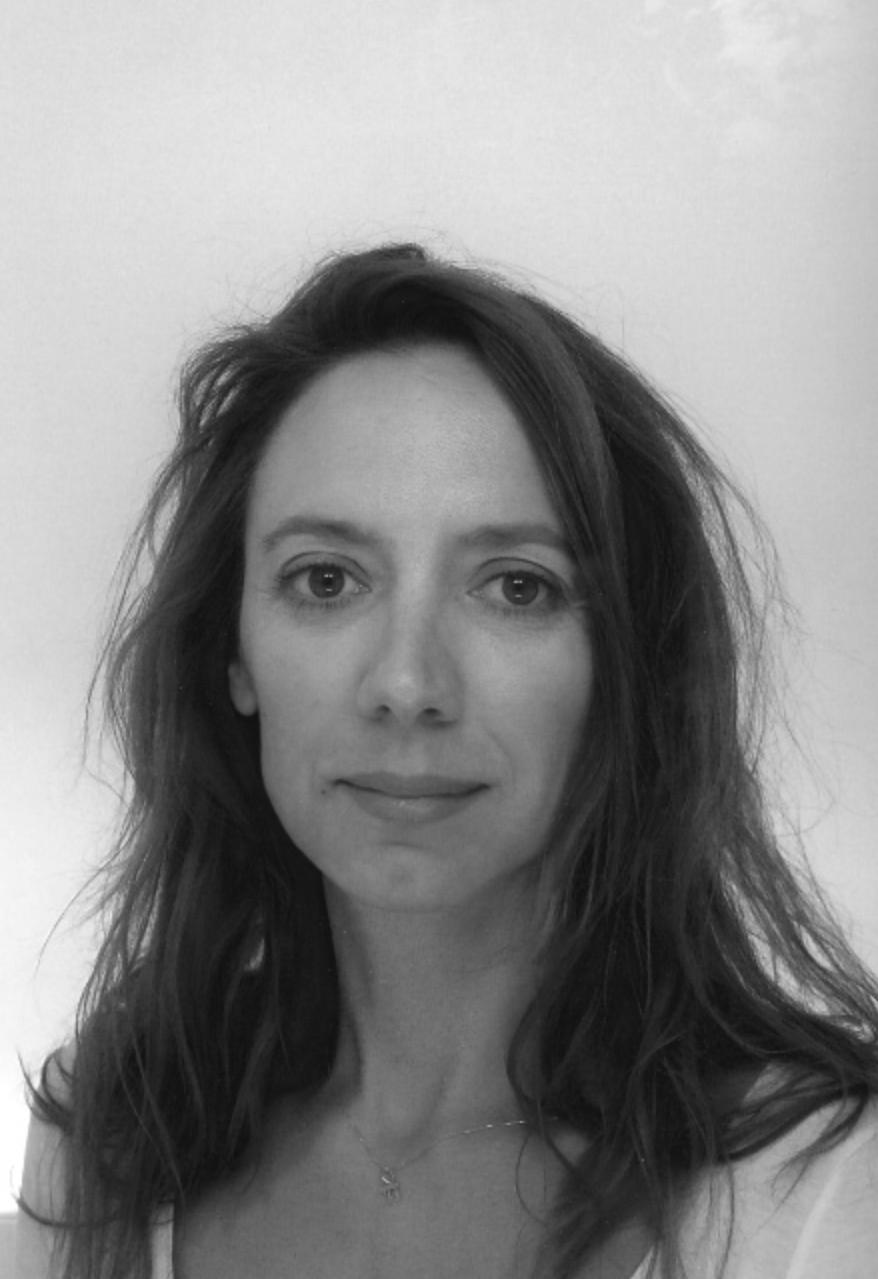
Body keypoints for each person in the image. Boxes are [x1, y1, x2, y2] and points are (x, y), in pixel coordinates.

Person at [15, 243, 878, 1279]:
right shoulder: (114, 1133)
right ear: (230, 651)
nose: (407, 683)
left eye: (515, 587)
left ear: (624, 666)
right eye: (325, 579)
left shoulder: (827, 1196)